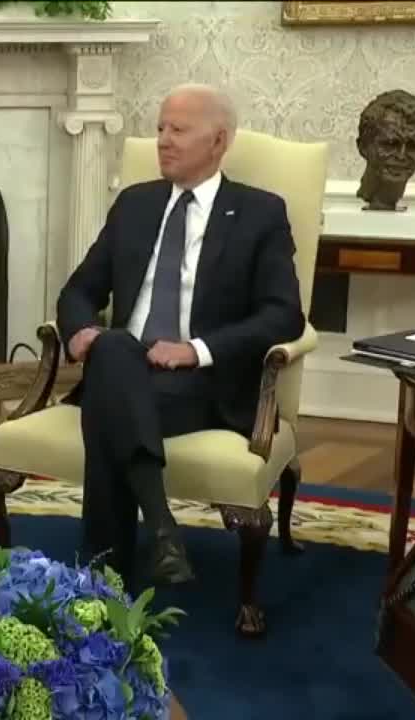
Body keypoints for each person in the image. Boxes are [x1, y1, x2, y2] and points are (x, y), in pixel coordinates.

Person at [57, 84, 306, 586]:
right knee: (114, 352)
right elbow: (79, 289)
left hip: (201, 384)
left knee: (109, 394)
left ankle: (103, 570)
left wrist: (196, 351)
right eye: (159, 129)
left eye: (178, 130)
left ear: (217, 141)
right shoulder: (135, 204)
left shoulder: (260, 213)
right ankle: (162, 529)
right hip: (123, 365)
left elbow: (285, 316)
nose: (163, 141)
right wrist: (81, 328)